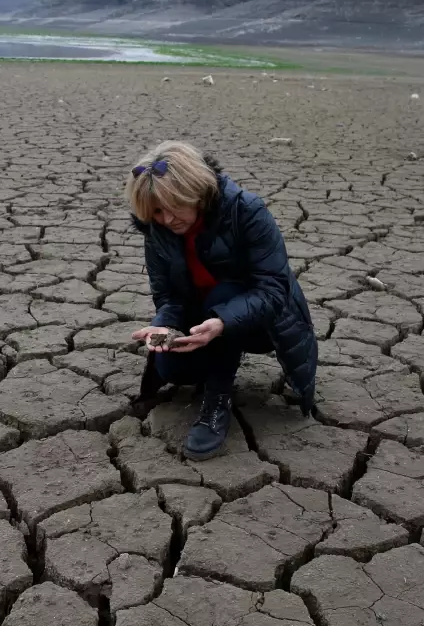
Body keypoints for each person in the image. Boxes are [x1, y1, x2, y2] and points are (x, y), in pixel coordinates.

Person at [127, 141, 318, 460]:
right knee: (170, 366)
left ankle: (217, 401)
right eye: (158, 211)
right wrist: (163, 327)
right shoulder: (156, 230)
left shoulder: (247, 211)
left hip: (261, 321)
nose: (168, 219)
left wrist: (221, 322)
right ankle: (209, 354)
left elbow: (273, 289)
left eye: (174, 205)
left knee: (224, 296)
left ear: (197, 192)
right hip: (201, 316)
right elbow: (168, 296)